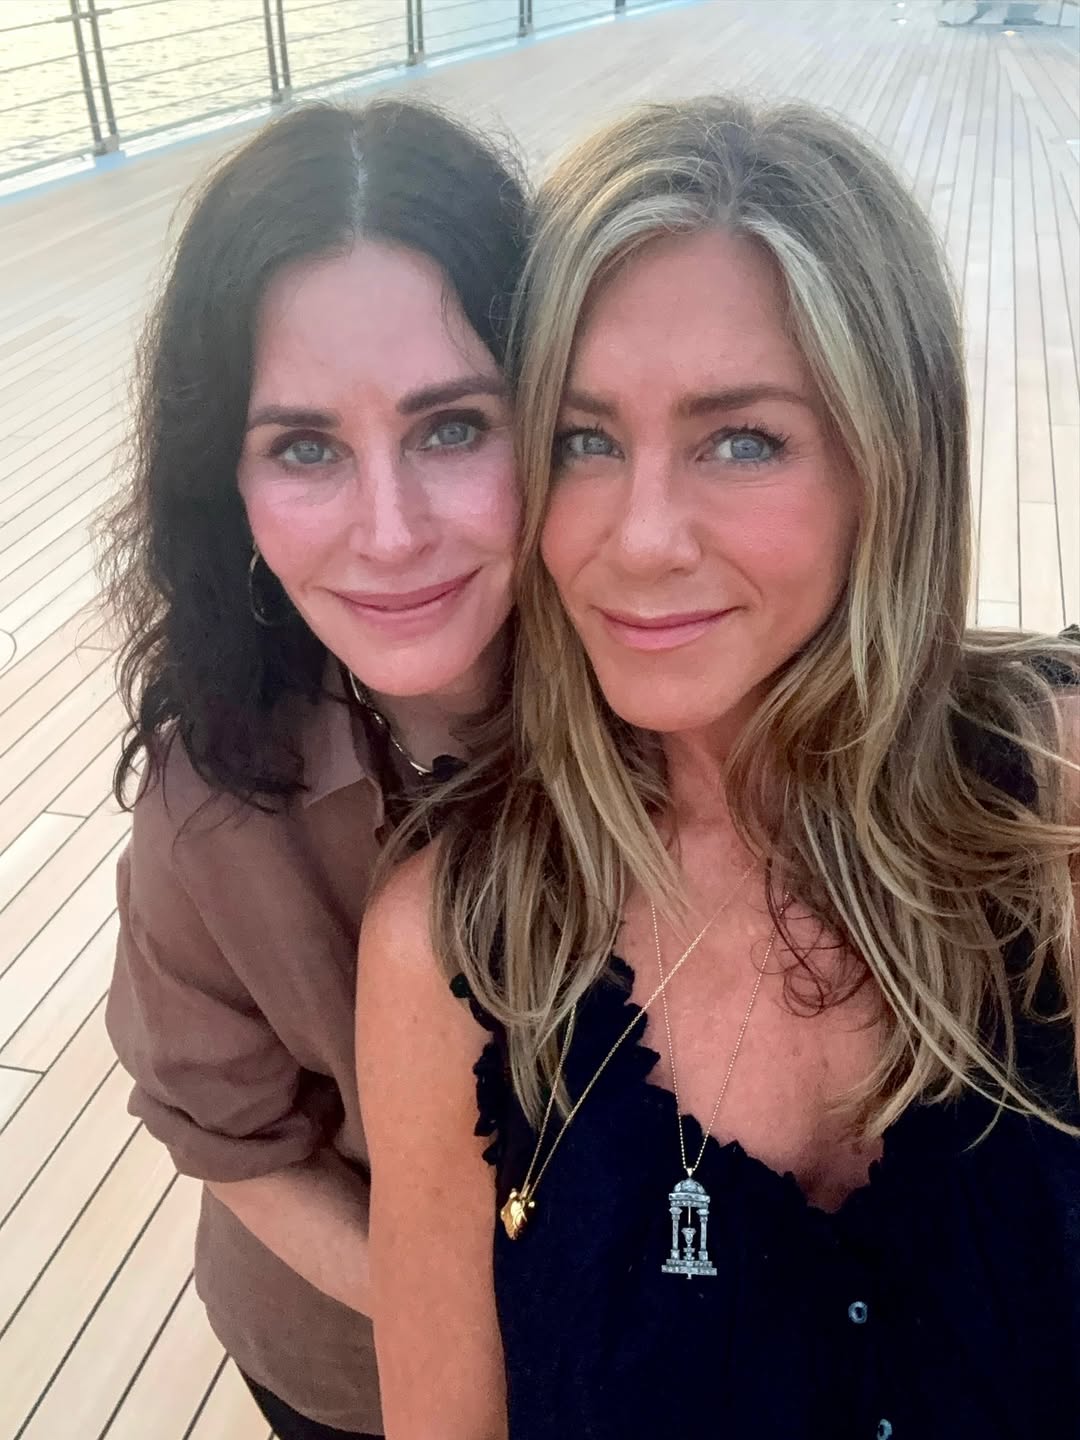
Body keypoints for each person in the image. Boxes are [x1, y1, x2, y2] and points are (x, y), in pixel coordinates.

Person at [357, 96, 1080, 1440]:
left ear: (887, 467)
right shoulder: (455, 953)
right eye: (583, 441)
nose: (641, 539)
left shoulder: (1058, 802)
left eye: (741, 440)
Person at [102, 98, 526, 1440]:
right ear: (224, 485)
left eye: (452, 427)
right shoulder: (212, 812)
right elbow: (235, 1144)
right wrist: (476, 1327)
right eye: (304, 448)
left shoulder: (686, 706)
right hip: (348, 1368)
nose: (389, 534)